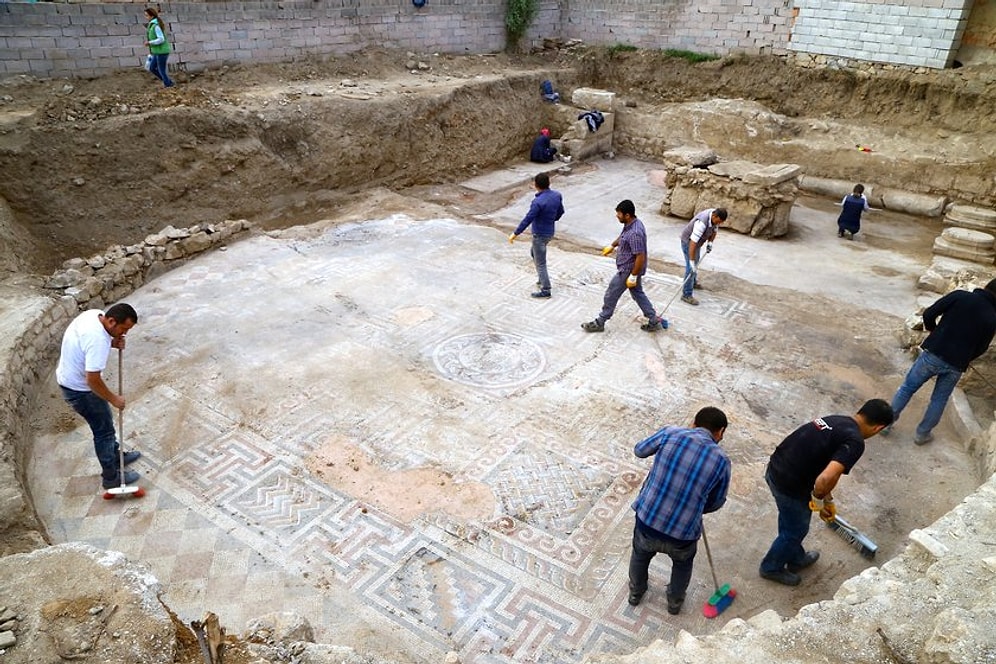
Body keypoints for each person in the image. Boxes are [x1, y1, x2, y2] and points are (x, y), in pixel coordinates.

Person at [759, 399, 894, 586]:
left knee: (791, 521)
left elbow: (820, 463)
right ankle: (771, 568)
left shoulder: (837, 420)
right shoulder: (855, 442)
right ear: (878, 428)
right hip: (789, 484)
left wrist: (828, 501)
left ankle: (796, 558)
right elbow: (825, 479)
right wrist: (819, 500)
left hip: (776, 468)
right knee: (795, 530)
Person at [627, 407, 731, 615]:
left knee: (640, 555)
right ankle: (674, 602)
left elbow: (639, 450)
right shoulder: (722, 460)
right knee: (682, 565)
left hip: (648, 520)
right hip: (683, 533)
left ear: (694, 423)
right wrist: (697, 507)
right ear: (720, 432)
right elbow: (717, 502)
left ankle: (636, 593)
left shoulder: (670, 434)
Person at [884, 278, 996, 445]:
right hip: (956, 365)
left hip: (934, 354)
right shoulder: (992, 317)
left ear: (985, 286)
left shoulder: (960, 296)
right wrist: (966, 357)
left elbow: (929, 314)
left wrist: (933, 332)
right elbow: (982, 348)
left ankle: (886, 424)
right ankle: (922, 434)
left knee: (908, 388)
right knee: (939, 399)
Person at [56, 303, 142, 490]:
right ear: (111, 321)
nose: (124, 334)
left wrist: (113, 342)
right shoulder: (97, 341)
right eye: (123, 329)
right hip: (81, 391)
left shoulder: (95, 315)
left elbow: (84, 344)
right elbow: (92, 380)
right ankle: (111, 477)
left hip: (70, 379)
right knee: (103, 432)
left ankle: (116, 455)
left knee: (106, 424)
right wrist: (114, 399)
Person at [582, 199, 667, 333]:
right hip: (630, 269)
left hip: (628, 270)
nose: (617, 216)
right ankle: (653, 319)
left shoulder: (635, 233)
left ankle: (600, 322)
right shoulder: (633, 224)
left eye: (619, 214)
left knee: (611, 294)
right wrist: (612, 245)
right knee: (638, 294)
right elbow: (623, 236)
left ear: (627, 215)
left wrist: (633, 275)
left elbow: (640, 256)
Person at [509, 172, 564, 298]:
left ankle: (546, 289)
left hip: (539, 234)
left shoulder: (538, 202)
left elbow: (528, 219)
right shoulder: (557, 195)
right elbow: (561, 212)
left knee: (541, 263)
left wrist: (515, 233)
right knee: (534, 253)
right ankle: (541, 278)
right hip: (550, 232)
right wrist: (551, 219)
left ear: (536, 185)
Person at [679, 207, 727, 306]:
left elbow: (714, 230)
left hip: (697, 243)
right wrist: (691, 261)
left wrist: (710, 242)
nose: (719, 223)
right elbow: (692, 243)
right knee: (691, 268)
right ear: (714, 216)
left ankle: (693, 282)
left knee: (695, 263)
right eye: (718, 221)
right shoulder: (701, 223)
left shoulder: (715, 219)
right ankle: (686, 294)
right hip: (688, 242)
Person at [144, 7, 174, 88]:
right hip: (157, 52)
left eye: (147, 15)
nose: (146, 17)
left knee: (161, 70)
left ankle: (168, 85)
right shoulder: (152, 25)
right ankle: (168, 82)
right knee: (152, 68)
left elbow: (161, 39)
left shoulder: (156, 26)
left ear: (152, 16)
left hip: (162, 51)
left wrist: (150, 43)